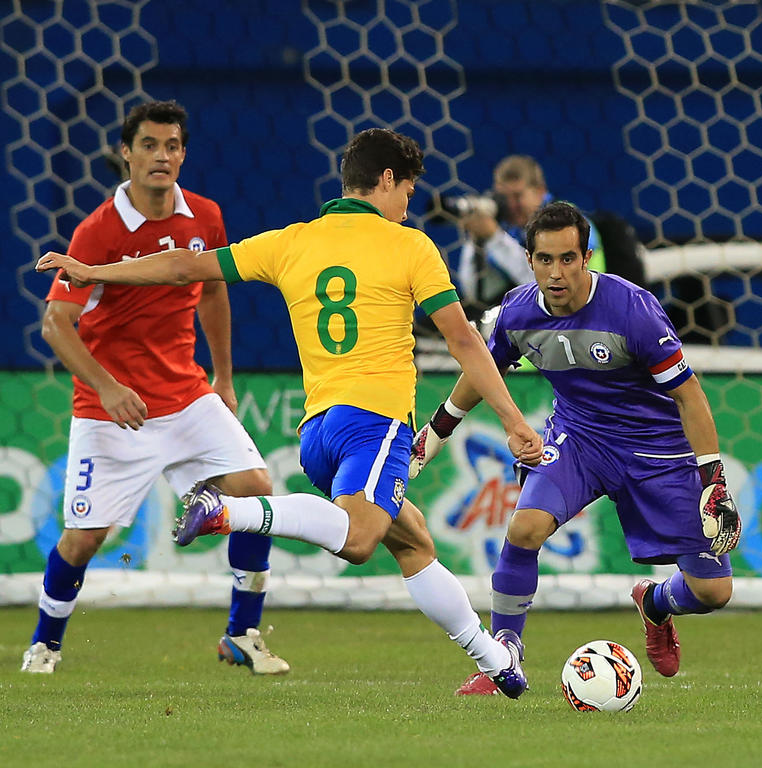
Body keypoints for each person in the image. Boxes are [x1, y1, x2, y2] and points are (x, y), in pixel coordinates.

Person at [37, 127, 545, 698]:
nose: (408, 204)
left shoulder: (292, 241)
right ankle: (232, 512)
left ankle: (499, 665)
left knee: (412, 543)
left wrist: (96, 271)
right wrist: (514, 421)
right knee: (357, 541)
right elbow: (465, 342)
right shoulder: (411, 247)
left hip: (319, 433)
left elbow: (183, 267)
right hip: (374, 423)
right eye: (407, 189)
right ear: (385, 181)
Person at [409, 201, 742, 694]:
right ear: (529, 260)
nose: (557, 272)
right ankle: (503, 657)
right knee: (524, 529)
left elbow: (688, 395)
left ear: (587, 257)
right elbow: (481, 371)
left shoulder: (634, 310)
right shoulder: (518, 314)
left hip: (655, 449)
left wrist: (712, 478)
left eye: (568, 259)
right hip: (579, 438)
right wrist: (436, 431)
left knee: (713, 592)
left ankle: (655, 603)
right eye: (545, 259)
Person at [22, 100, 288, 675]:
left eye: (171, 146)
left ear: (183, 154)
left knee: (256, 489)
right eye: (148, 145)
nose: (161, 156)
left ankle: (241, 633)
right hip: (110, 409)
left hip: (187, 396)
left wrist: (223, 377)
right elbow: (55, 325)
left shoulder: (205, 217)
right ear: (126, 152)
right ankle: (45, 645)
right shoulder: (97, 230)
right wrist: (108, 386)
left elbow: (214, 293)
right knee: (84, 540)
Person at [454, 155, 606, 309]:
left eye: (517, 196)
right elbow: (475, 294)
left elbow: (547, 285)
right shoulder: (511, 230)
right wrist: (475, 239)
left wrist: (494, 238)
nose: (511, 206)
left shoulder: (567, 222)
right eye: (504, 198)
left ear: (539, 192)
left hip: (583, 310)